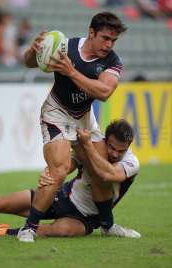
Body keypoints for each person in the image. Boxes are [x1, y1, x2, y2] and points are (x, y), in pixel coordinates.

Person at [19, 11, 128, 242]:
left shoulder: (112, 61)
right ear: (91, 33)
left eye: (113, 40)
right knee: (57, 172)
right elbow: (31, 63)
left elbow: (105, 92)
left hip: (84, 117)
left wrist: (70, 71)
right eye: (105, 38)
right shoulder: (64, 46)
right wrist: (32, 52)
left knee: (101, 172)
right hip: (56, 113)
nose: (109, 45)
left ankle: (107, 226)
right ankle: (29, 228)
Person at [0, 120, 141, 239]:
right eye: (111, 147)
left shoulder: (132, 162)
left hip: (86, 217)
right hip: (62, 197)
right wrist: (48, 172)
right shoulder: (95, 149)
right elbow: (66, 165)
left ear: (128, 148)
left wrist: (88, 144)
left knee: (58, 230)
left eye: (121, 151)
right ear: (104, 140)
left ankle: (6, 231)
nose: (115, 154)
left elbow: (108, 174)